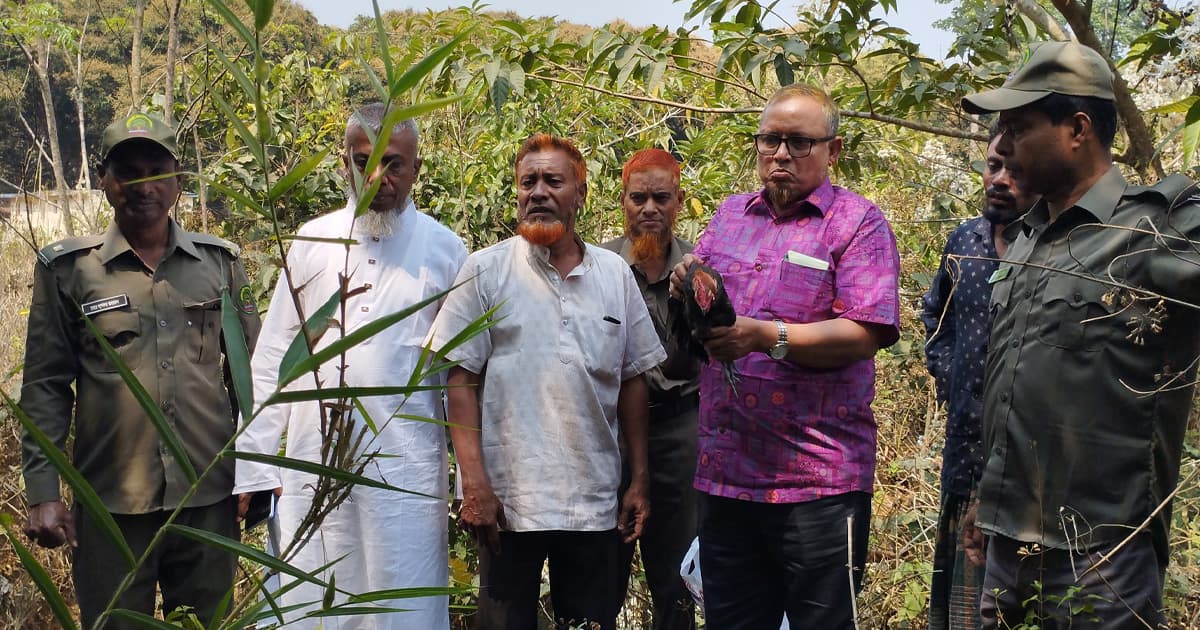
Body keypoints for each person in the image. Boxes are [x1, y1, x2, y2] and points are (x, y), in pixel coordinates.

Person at [962, 40, 1200, 629]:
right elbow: (1012, 386)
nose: (1004, 144)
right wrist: (983, 501)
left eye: (1019, 126)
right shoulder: (1026, 240)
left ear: (1078, 128)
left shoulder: (1160, 227)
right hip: (1006, 543)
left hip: (1102, 555)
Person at [670, 83, 901, 628]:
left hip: (819, 482)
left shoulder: (857, 223)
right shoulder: (728, 216)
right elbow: (708, 314)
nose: (781, 154)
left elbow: (865, 332)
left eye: (799, 142)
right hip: (726, 475)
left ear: (833, 150)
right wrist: (690, 287)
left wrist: (765, 336)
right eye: (770, 139)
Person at [19, 111, 261, 628]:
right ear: (105, 180)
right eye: (128, 171)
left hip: (208, 498)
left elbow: (252, 378)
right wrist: (43, 492)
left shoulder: (220, 265)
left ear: (178, 180)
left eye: (157, 169)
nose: (143, 185)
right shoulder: (69, 270)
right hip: (110, 508)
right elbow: (45, 386)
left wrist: (260, 470)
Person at [234, 103, 467, 629]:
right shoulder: (312, 241)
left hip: (406, 468)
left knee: (402, 604)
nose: (378, 178)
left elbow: (462, 376)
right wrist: (254, 463)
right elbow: (273, 357)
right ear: (345, 163)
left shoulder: (447, 251)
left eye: (393, 164)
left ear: (416, 168)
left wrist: (468, 480)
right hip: (312, 463)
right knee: (314, 600)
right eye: (364, 162)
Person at [429, 133, 666, 630]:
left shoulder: (615, 276)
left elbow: (632, 382)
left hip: (593, 504)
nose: (537, 192)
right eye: (527, 182)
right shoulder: (485, 271)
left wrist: (638, 479)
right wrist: (473, 483)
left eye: (553, 181)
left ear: (580, 194)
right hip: (508, 506)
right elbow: (460, 380)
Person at [921, 124, 1036, 630]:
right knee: (958, 608)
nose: (1001, 179)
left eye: (1017, 171)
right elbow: (935, 317)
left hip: (1029, 476)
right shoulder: (964, 239)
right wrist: (951, 379)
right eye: (994, 166)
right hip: (962, 458)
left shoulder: (1059, 247)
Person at [600, 148, 702, 630]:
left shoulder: (700, 270)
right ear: (622, 201)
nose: (649, 208)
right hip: (611, 433)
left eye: (661, 197)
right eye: (638, 197)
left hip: (681, 432)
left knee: (677, 574)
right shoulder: (598, 267)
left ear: (678, 201)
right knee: (600, 573)